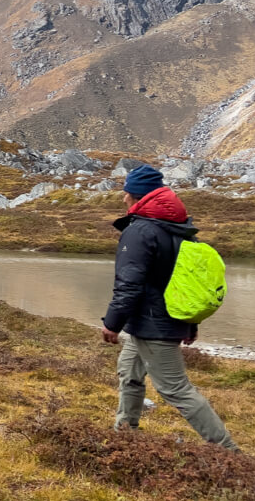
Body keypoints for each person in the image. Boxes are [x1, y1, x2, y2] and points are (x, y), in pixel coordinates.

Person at [100, 165, 237, 450]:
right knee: (129, 372)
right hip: (155, 320)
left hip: (153, 324)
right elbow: (186, 281)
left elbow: (129, 284)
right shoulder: (181, 229)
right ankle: (125, 435)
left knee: (175, 389)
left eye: (127, 192)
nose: (124, 198)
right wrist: (190, 323)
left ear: (135, 195)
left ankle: (228, 452)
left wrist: (112, 323)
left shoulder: (140, 231)